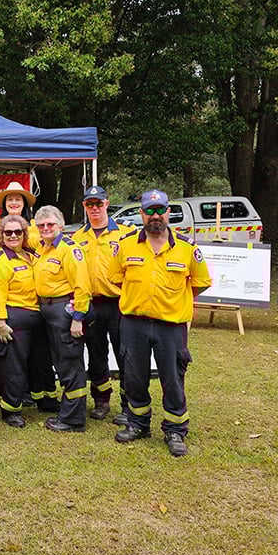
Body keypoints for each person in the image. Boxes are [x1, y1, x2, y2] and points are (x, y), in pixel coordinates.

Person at [107, 189, 212, 457]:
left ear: (168, 212)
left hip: (170, 326)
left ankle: (175, 430)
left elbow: (200, 283)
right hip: (134, 324)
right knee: (134, 377)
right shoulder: (126, 244)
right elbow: (116, 278)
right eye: (150, 211)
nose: (155, 216)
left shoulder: (187, 248)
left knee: (172, 379)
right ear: (142, 214)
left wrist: (174, 301)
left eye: (160, 210)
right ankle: (138, 423)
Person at [0, 214, 58, 427]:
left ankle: (46, 400)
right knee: (14, 367)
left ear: (25, 234)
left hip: (36, 316)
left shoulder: (30, 255)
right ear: (1, 235)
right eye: (8, 232)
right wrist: (0, 324)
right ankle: (11, 409)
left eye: (18, 232)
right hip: (13, 319)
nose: (13, 236)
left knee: (41, 362)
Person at [72, 185, 130, 424]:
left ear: (107, 203)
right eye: (90, 204)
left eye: (99, 203)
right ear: (84, 206)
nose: (94, 208)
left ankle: (129, 405)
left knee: (125, 355)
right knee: (96, 355)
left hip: (119, 304)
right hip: (91, 304)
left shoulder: (126, 234)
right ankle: (101, 400)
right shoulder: (77, 237)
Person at [32, 205, 92, 432]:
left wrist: (78, 317)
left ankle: (73, 420)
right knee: (61, 362)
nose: (46, 228)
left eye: (50, 224)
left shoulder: (69, 249)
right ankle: (68, 411)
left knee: (70, 363)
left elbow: (83, 286)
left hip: (63, 310)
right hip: (47, 309)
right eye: (41, 225)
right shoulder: (42, 248)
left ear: (61, 225)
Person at [0, 180, 40, 252]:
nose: (14, 203)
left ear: (24, 203)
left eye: (18, 199)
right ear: (5, 203)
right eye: (10, 199)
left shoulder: (36, 224)